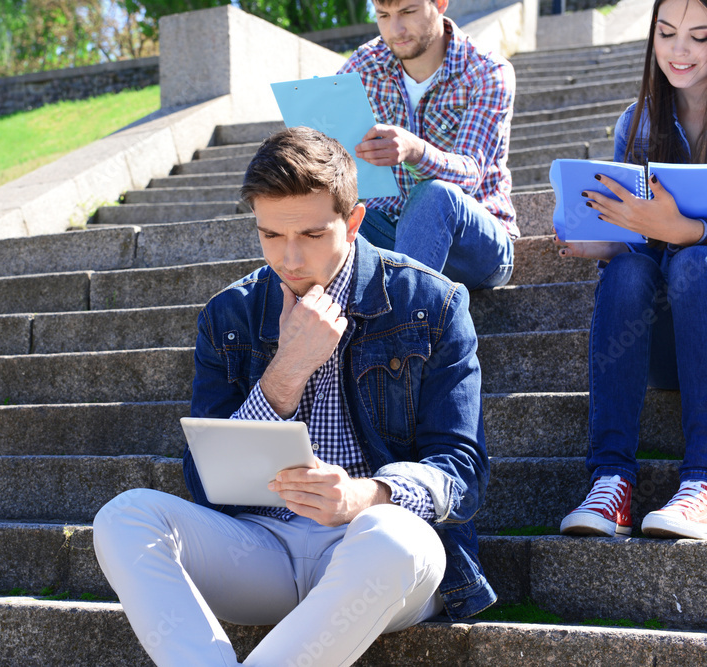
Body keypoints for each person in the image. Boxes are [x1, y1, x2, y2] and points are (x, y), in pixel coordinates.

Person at [93, 127, 494, 666]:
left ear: (353, 223)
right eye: (270, 236)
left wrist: (365, 495)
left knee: (398, 536)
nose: (290, 258)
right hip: (259, 550)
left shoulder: (430, 303)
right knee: (124, 517)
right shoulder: (231, 315)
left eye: (310, 234)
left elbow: (461, 473)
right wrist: (287, 370)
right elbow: (203, 481)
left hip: (371, 554)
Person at [557, 0, 707, 540]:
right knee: (627, 273)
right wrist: (604, 243)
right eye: (667, 34)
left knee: (694, 261)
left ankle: (702, 482)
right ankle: (611, 483)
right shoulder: (637, 122)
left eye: (699, 36)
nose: (680, 50)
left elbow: (684, 246)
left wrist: (686, 231)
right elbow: (636, 250)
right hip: (654, 340)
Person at [338, 0, 519, 290]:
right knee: (323, 220)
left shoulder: (487, 71)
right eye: (383, 16)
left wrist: (415, 151)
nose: (395, 29)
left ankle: (403, 326)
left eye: (408, 12)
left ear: (441, 4)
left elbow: (470, 175)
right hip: (390, 231)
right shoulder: (364, 64)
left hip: (472, 246)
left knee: (435, 194)